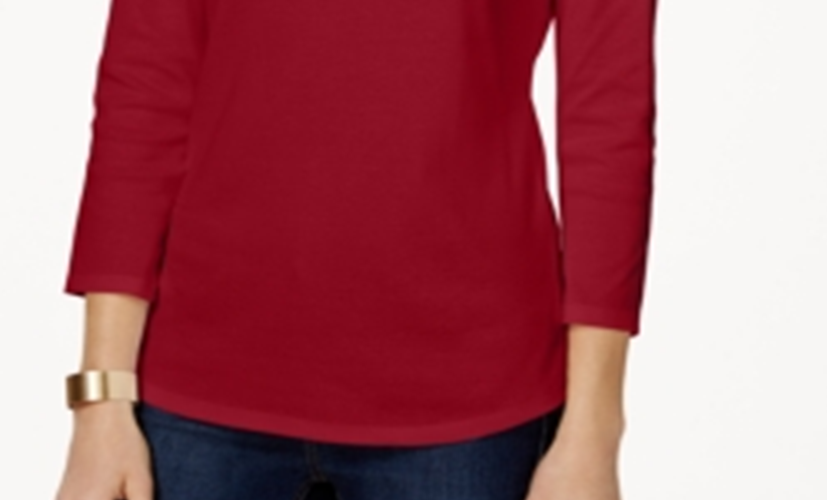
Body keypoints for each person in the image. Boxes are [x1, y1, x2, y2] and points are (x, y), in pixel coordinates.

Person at [53, 0, 658, 497]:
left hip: (469, 413)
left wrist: (593, 431)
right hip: (195, 406)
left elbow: (607, 116)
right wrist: (101, 401)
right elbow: (146, 89)